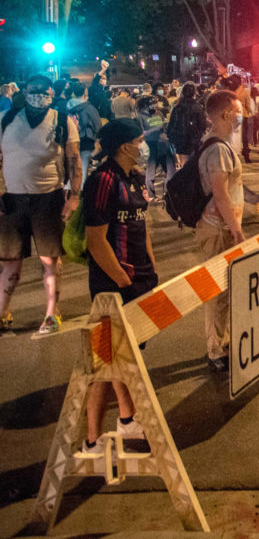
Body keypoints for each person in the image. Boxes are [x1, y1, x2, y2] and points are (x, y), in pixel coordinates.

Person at [76, 119, 156, 456]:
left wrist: (151, 269)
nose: (143, 146)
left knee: (122, 357)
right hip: (113, 287)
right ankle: (93, 440)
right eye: (139, 140)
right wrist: (122, 280)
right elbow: (96, 241)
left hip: (139, 280)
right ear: (124, 146)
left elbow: (142, 227)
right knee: (106, 360)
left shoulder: (134, 179)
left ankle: (126, 420)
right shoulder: (102, 181)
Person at [0, 74, 82, 335]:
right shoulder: (7, 120)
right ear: (24, 92)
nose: (39, 95)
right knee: (10, 262)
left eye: (45, 91)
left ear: (51, 93)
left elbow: (74, 159)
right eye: (34, 90)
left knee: (49, 259)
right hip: (12, 200)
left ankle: (51, 313)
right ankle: (2, 311)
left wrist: (75, 195)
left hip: (48, 198)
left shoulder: (62, 121)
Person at [195, 91, 245, 372]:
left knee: (224, 290)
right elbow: (221, 194)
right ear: (226, 114)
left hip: (221, 226)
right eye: (238, 110)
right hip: (217, 230)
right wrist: (236, 230)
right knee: (216, 291)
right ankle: (216, 349)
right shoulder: (218, 149)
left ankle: (221, 341)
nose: (242, 115)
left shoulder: (221, 145)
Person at [67, 80, 102, 181]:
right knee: (83, 167)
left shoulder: (66, 106)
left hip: (69, 140)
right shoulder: (89, 108)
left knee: (72, 167)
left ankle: (70, 189)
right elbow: (97, 125)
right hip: (85, 141)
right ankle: (80, 190)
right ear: (85, 92)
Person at [167, 83, 206, 168]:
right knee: (194, 161)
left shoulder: (177, 107)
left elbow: (172, 123)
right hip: (194, 138)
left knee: (183, 162)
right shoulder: (197, 107)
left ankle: (183, 177)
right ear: (194, 93)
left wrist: (171, 136)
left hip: (180, 138)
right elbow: (202, 124)